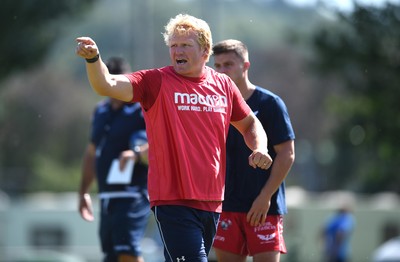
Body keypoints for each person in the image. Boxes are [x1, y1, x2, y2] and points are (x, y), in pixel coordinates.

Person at [75, 13, 273, 262]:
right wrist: (93, 59)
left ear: (205, 50)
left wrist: (260, 148)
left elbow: (249, 123)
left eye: (185, 45)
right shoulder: (155, 81)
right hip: (172, 200)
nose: (177, 51)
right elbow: (107, 84)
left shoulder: (223, 85)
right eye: (174, 45)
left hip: (212, 200)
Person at [211, 39, 295, 262]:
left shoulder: (270, 103)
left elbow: (288, 154)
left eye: (228, 64)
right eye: (217, 66)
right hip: (226, 205)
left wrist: (265, 196)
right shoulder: (212, 105)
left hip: (263, 207)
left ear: (245, 66)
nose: (221, 71)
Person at [78, 57, 150, 262]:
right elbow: (92, 151)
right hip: (107, 196)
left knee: (128, 252)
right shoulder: (100, 111)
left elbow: (159, 145)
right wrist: (83, 192)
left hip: (133, 195)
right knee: (111, 256)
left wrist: (136, 153)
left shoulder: (141, 109)